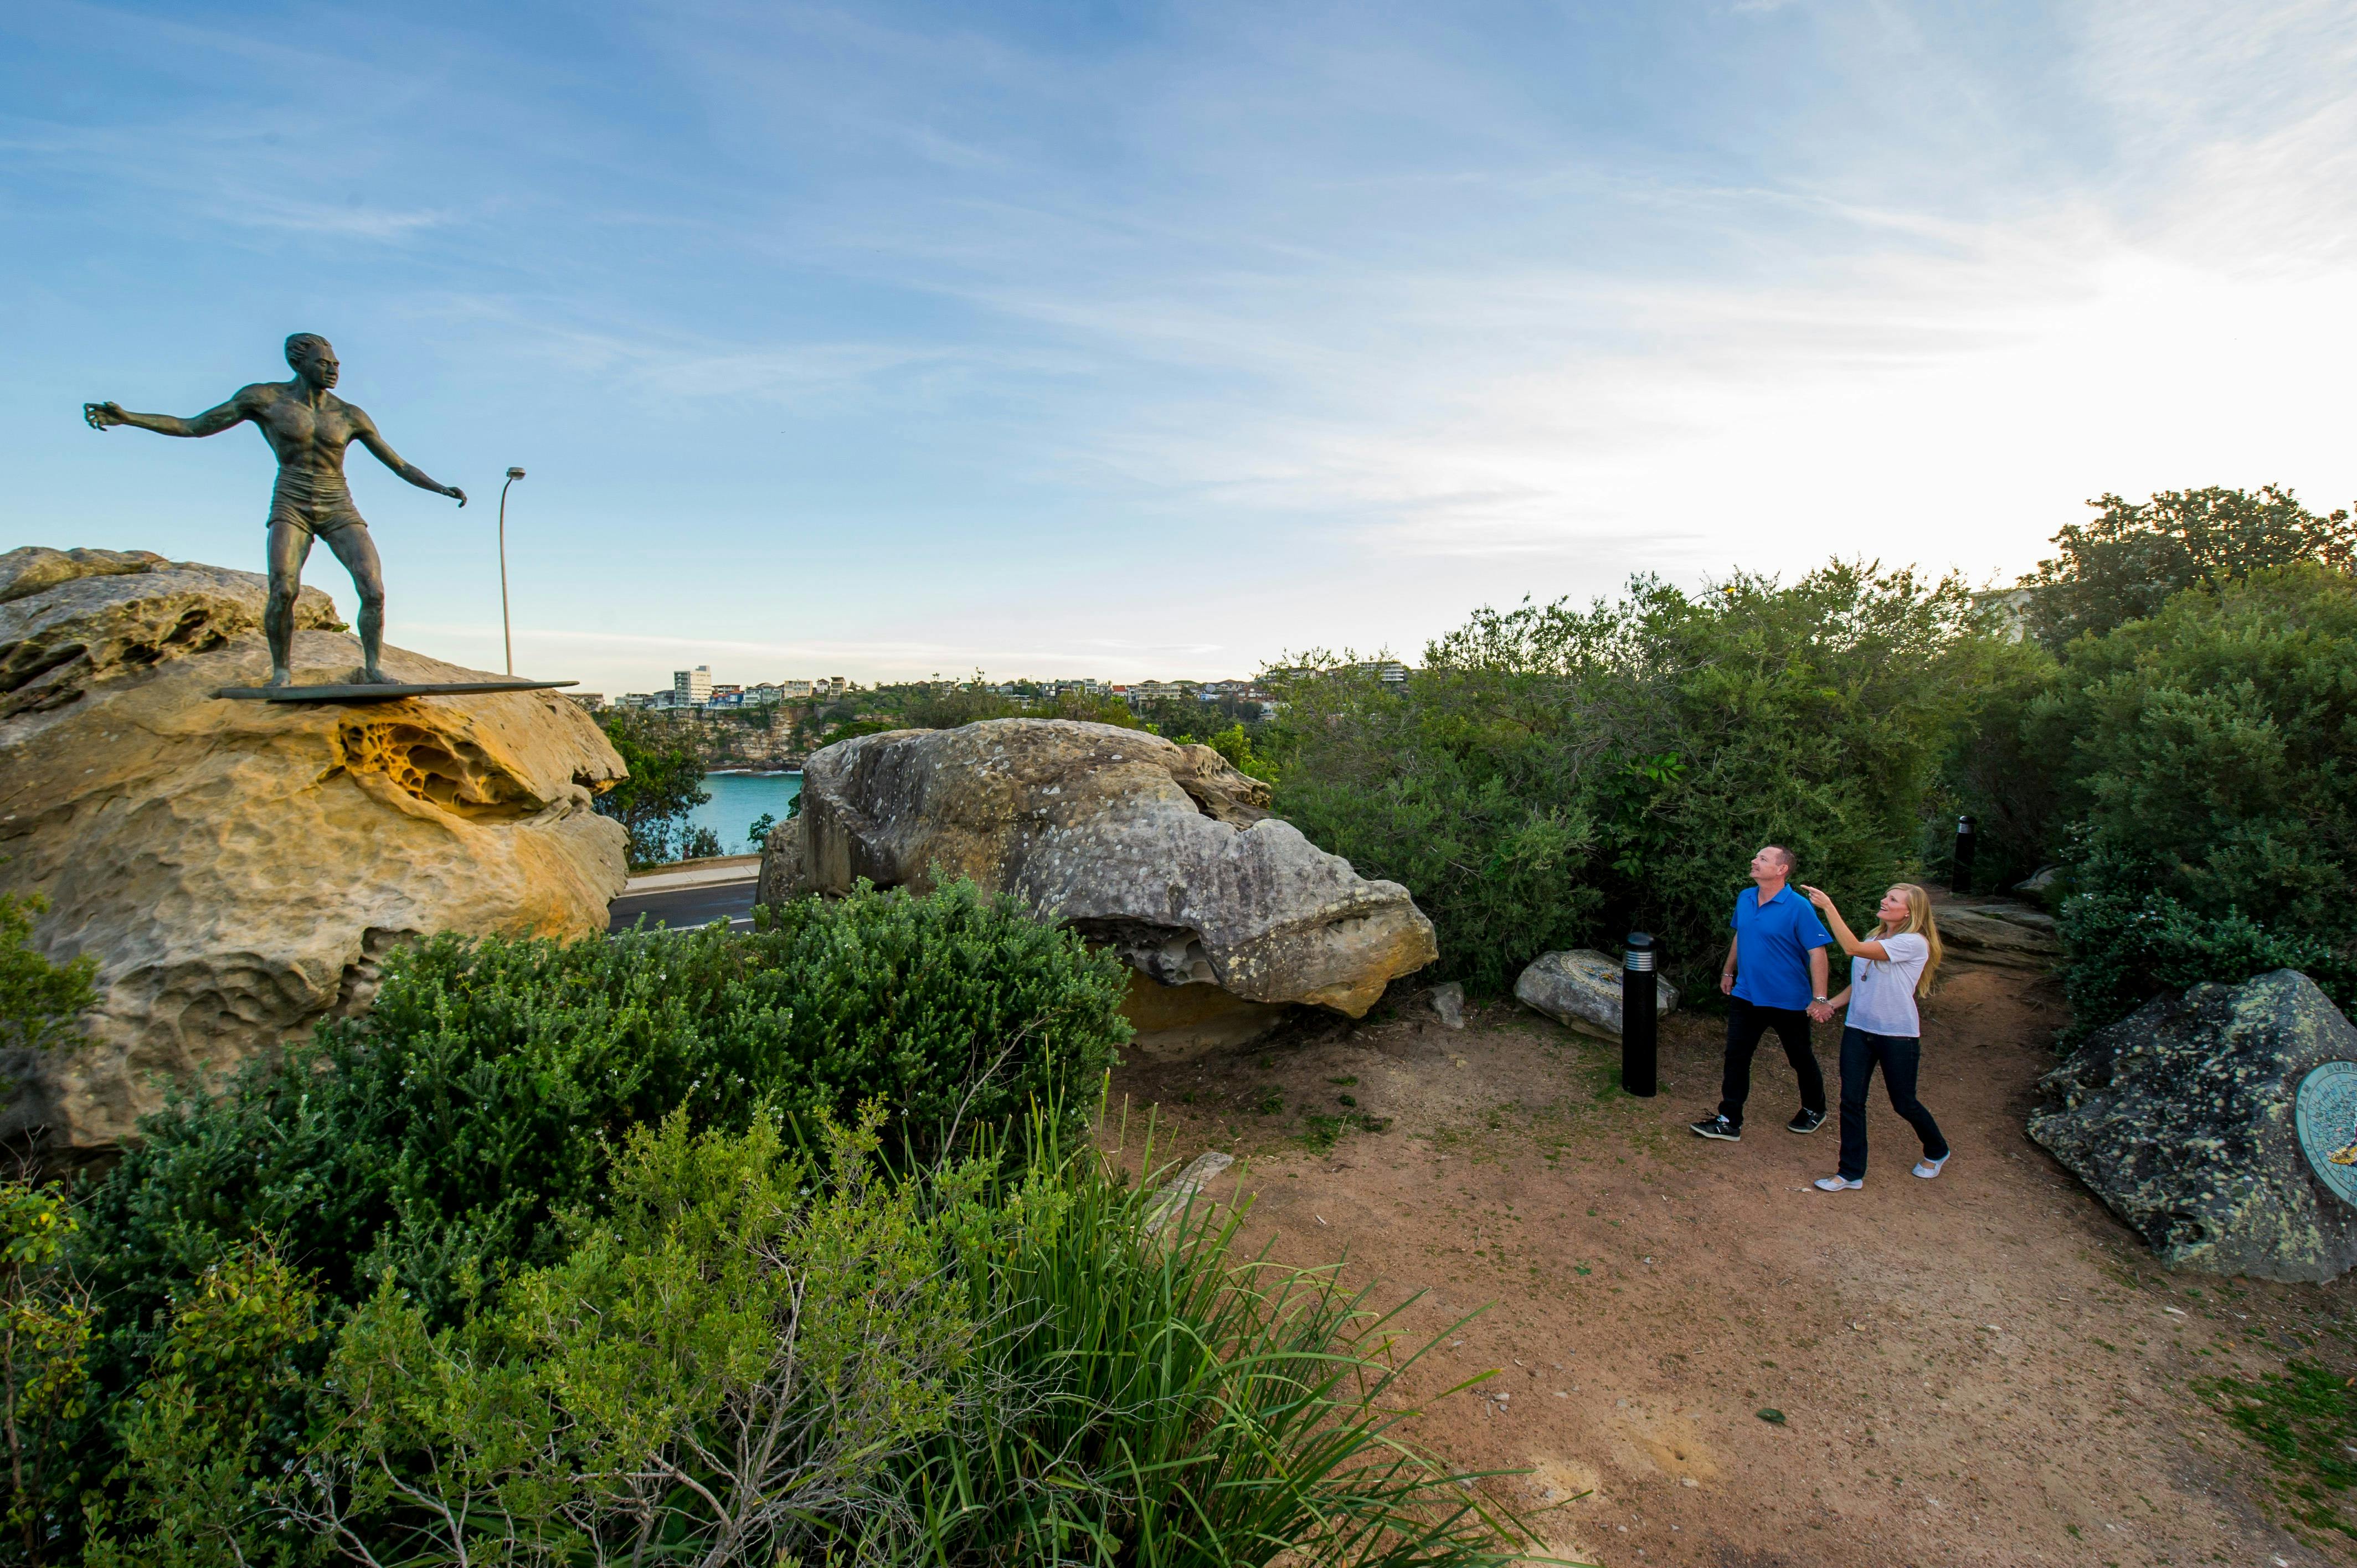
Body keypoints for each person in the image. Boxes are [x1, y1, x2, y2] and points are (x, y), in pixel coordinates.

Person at [85, 333, 467, 687]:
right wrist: (129, 418)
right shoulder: (264, 399)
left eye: (336, 364)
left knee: (373, 589)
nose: (333, 370)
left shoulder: (350, 415)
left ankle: (373, 668)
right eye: (324, 363)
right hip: (291, 503)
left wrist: (439, 487)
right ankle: (282, 672)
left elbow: (398, 464)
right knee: (284, 589)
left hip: (338, 506)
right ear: (297, 363)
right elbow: (194, 426)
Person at [1798, 882, 1951, 1190]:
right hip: (1858, 1030)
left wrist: (1829, 907)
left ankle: (1937, 1150)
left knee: (1904, 1103)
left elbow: (1852, 948)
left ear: (1909, 911)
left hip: (1897, 1035)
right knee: (1851, 1101)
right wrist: (1827, 1005)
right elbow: (1861, 982)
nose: (1884, 900)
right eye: (1886, 895)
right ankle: (1850, 1173)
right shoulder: (1875, 936)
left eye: (1892, 899)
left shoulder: (1913, 943)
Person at [1690, 845, 1832, 1143]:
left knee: (1800, 1057)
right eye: (1756, 856)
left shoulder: (1798, 906)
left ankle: (1814, 1108)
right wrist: (1729, 972)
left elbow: (1817, 953)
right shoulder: (1745, 897)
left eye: (1763, 859)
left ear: (1781, 870)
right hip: (1747, 995)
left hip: (1788, 1000)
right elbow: (1741, 935)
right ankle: (1729, 1119)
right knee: (1737, 1057)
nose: (1754, 861)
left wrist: (1819, 999)